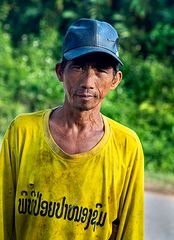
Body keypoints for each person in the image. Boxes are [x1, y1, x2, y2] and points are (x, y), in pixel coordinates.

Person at [0, 18, 144, 240]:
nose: (88, 81)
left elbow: (130, 232)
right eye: (78, 66)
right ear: (60, 72)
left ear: (115, 80)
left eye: (100, 70)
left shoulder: (127, 145)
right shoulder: (22, 132)